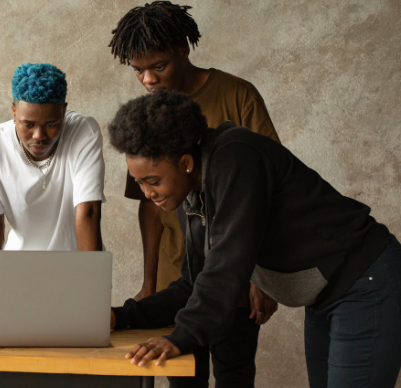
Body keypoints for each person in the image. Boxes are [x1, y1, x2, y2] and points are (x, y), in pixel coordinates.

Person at [108, 90, 401, 388]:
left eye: (152, 181)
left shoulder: (236, 156)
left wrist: (183, 336)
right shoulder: (193, 199)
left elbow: (229, 262)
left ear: (185, 163)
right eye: (139, 182)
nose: (146, 193)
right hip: (325, 298)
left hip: (365, 284)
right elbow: (193, 284)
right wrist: (121, 317)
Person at [108, 2, 279, 385]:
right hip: (180, 275)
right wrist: (149, 282)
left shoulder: (237, 96)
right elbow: (148, 208)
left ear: (183, 51)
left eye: (159, 66)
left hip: (235, 274)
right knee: (182, 376)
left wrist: (261, 278)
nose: (149, 79)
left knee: (235, 374)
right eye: (139, 71)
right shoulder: (144, 119)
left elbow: (266, 194)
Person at [0, 63, 105, 252]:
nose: (39, 136)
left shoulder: (83, 131)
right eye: (28, 124)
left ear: (63, 111)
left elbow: (89, 212)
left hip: (76, 262)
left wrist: (90, 277)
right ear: (13, 111)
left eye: (51, 124)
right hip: (20, 265)